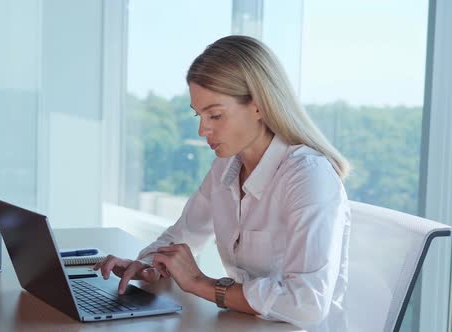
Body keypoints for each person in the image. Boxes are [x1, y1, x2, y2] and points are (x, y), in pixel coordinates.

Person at [94, 35, 350, 332]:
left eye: (215, 115)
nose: (203, 130)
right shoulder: (228, 165)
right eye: (199, 115)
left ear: (258, 106)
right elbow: (183, 235)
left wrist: (203, 284)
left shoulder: (309, 177)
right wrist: (150, 263)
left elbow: (307, 304)